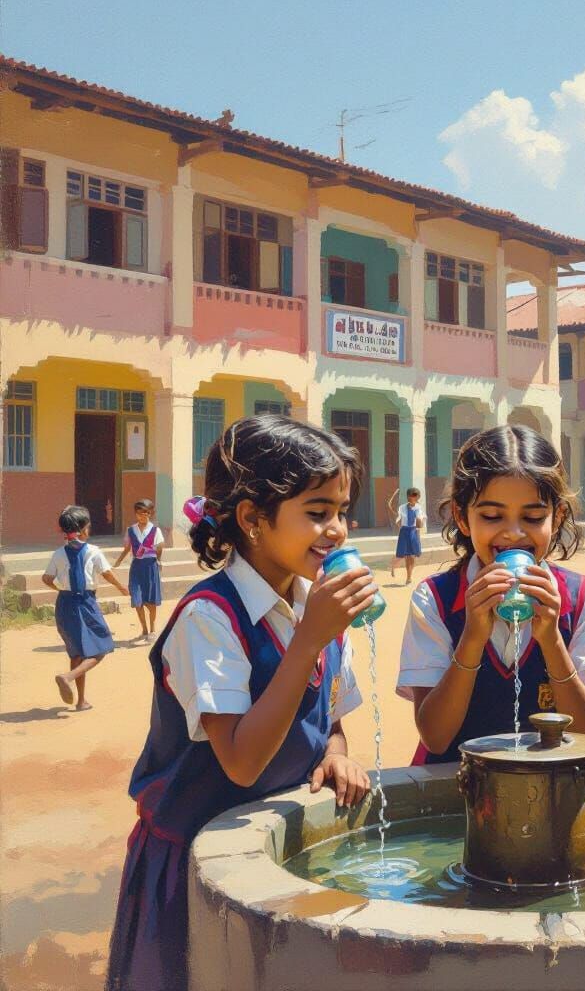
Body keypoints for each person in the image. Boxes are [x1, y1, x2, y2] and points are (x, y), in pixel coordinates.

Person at [105, 416, 373, 991]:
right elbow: (242, 761)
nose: (337, 531)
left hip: (275, 850)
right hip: (196, 862)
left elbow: (331, 720)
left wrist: (338, 752)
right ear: (252, 518)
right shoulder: (209, 618)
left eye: (342, 511)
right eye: (317, 511)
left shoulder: (313, 605)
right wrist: (308, 641)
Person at [397, 424, 585, 764]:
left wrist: (552, 640)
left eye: (533, 517)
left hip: (554, 790)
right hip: (458, 790)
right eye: (491, 516)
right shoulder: (435, 600)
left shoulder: (581, 600)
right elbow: (435, 736)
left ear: (557, 516)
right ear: (462, 517)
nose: (514, 533)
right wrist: (473, 637)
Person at [42, 505, 130, 711]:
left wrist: (60, 589)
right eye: (88, 527)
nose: (89, 531)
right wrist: (120, 586)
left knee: (76, 653)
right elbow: (106, 573)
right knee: (103, 646)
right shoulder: (93, 551)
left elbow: (46, 578)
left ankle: (81, 701)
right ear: (81, 530)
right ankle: (68, 677)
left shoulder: (58, 553)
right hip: (85, 603)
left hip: (65, 604)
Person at [112, 498, 164, 641]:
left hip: (150, 567)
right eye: (140, 513)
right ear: (136, 514)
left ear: (150, 514)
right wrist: (118, 562)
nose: (143, 516)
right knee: (137, 599)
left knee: (151, 600)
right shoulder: (131, 530)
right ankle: (144, 630)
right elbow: (127, 548)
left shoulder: (155, 530)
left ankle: (153, 629)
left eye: (146, 513)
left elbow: (160, 547)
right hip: (136, 567)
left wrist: (159, 561)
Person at [391, 487, 426, 585]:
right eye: (411, 495)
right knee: (406, 555)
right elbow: (398, 521)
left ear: (418, 497)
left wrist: (419, 519)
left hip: (414, 532)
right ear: (408, 497)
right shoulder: (402, 507)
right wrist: (399, 522)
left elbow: (421, 524)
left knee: (413, 555)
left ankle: (409, 577)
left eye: (415, 496)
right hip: (404, 531)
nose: (413, 498)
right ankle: (399, 570)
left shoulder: (419, 508)